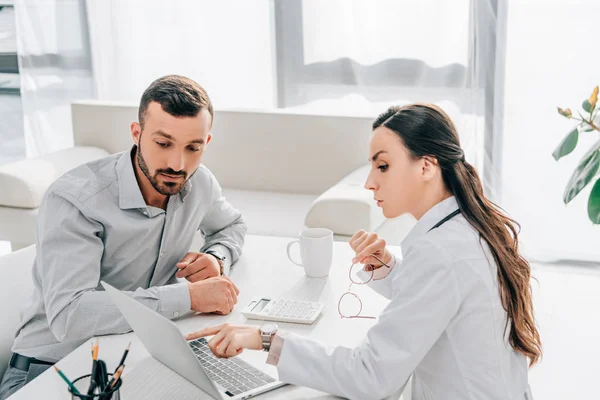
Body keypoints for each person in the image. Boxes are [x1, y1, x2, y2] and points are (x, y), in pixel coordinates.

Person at [186, 104, 542, 400]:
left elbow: (370, 376)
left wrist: (264, 338)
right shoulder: (465, 229)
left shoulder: (440, 253)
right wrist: (390, 268)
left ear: (427, 166)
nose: (370, 181)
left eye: (383, 165)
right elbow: (444, 297)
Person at [0, 75, 246, 399]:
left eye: (192, 148)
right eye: (163, 143)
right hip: (49, 372)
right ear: (137, 133)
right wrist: (190, 298)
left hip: (130, 361)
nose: (177, 163)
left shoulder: (199, 183)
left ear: (206, 143)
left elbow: (232, 226)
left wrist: (216, 258)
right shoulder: (76, 201)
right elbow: (71, 316)